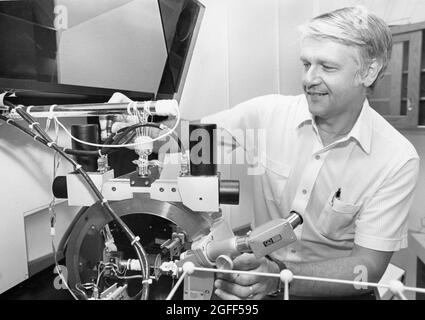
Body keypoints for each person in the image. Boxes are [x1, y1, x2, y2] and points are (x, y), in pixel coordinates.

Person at [102, 6, 420, 300]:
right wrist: (145, 122)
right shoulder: (268, 114)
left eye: (327, 67)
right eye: (306, 64)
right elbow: (193, 137)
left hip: (336, 291)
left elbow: (368, 265)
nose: (309, 79)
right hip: (262, 277)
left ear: (368, 71)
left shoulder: (395, 158)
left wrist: (279, 278)